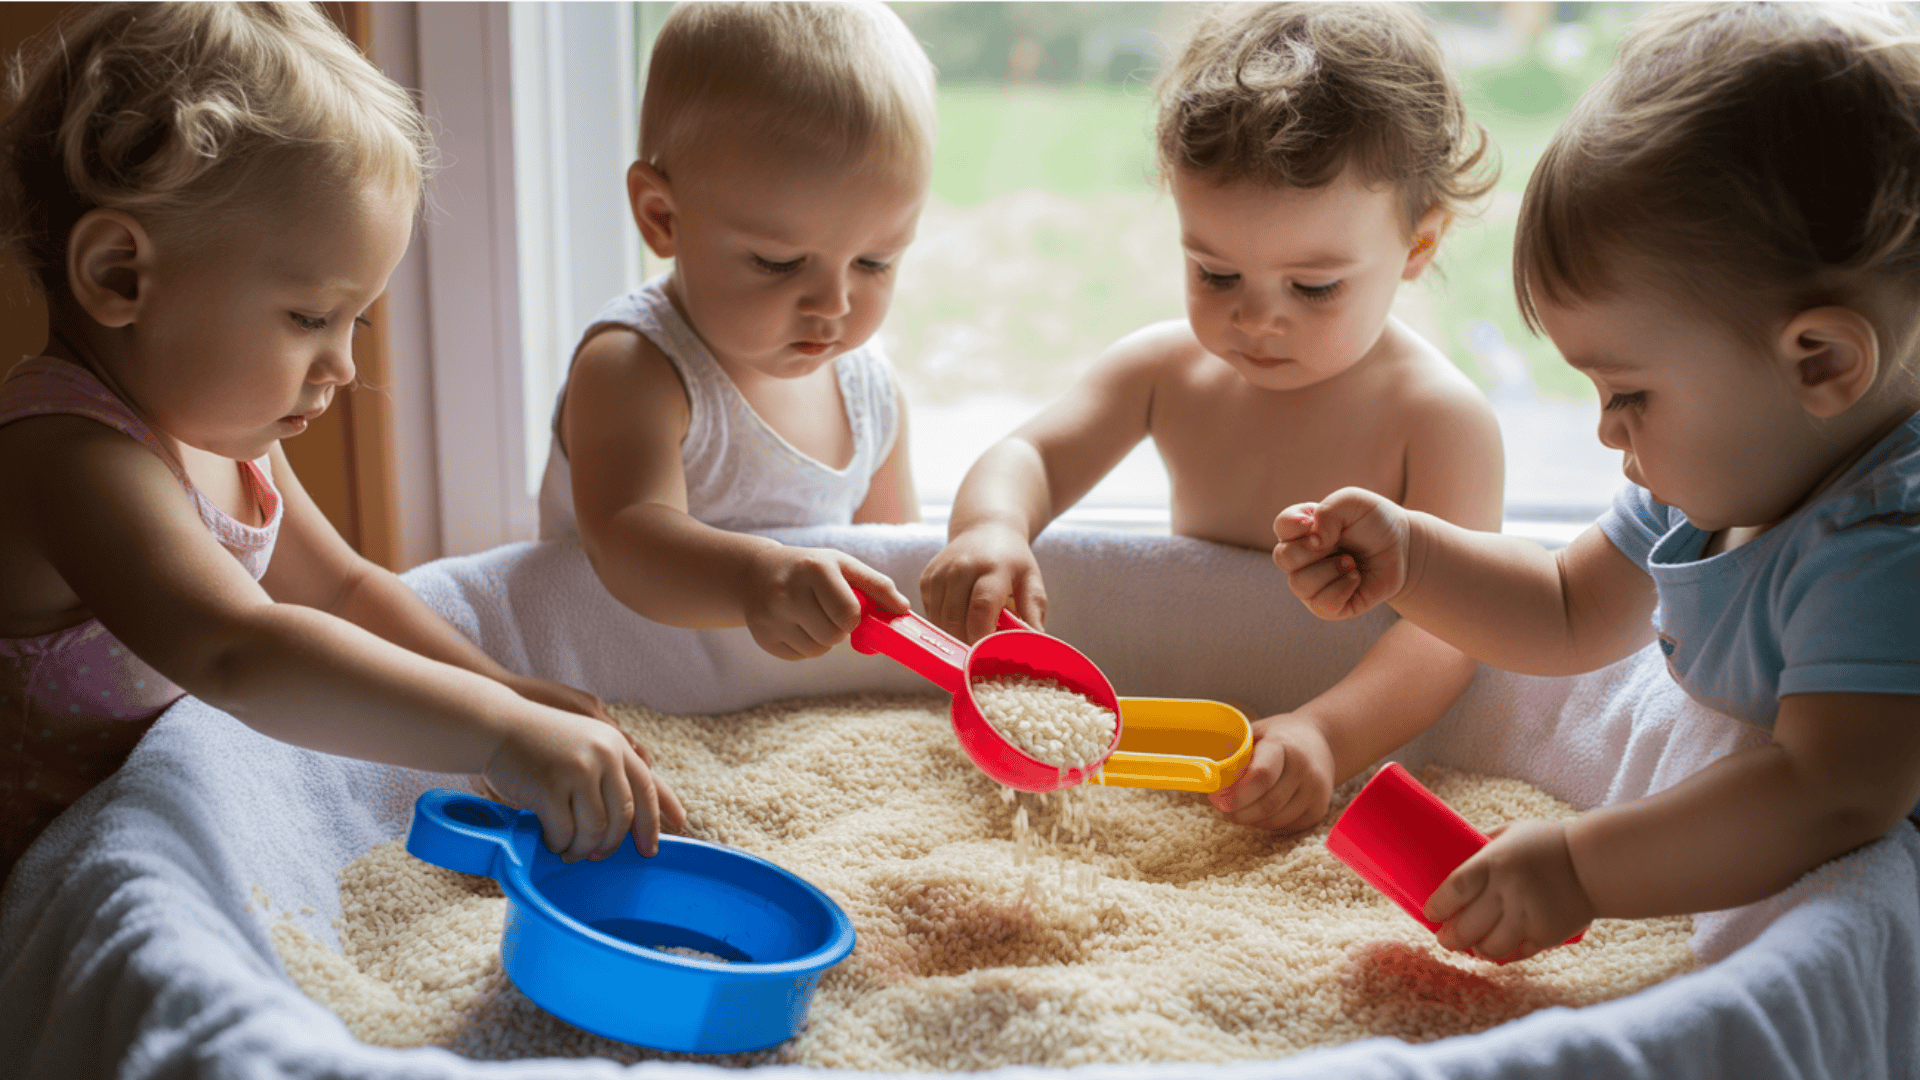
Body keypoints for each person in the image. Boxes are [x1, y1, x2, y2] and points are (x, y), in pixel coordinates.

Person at [1274, 2, 1920, 963]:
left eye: (1630, 392)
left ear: (1819, 361)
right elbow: (1569, 608)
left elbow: (1827, 792)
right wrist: (1412, 555)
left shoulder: (1884, 548)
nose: (1606, 427)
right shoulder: (1717, 484)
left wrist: (1581, 869)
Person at [0, 2, 683, 881]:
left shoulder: (225, 432)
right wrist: (502, 732)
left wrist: (506, 690)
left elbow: (345, 592)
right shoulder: (69, 459)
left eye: (356, 318)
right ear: (119, 275)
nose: (344, 366)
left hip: (163, 820)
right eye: (311, 317)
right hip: (38, 883)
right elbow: (241, 650)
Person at [921, 3, 1504, 834]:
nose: (1256, 320)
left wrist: (1326, 735)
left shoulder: (1437, 419)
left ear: (1418, 248)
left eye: (1313, 288)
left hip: (1356, 738)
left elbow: (1449, 636)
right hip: (1191, 738)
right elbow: (1031, 456)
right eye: (1215, 272)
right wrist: (991, 528)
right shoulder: (1167, 371)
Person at [538, 1, 932, 662]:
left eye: (874, 262)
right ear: (662, 217)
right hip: (615, 683)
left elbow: (892, 567)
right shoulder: (636, 366)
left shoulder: (871, 396)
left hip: (781, 708)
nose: (833, 304)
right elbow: (625, 540)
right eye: (779, 262)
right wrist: (755, 579)